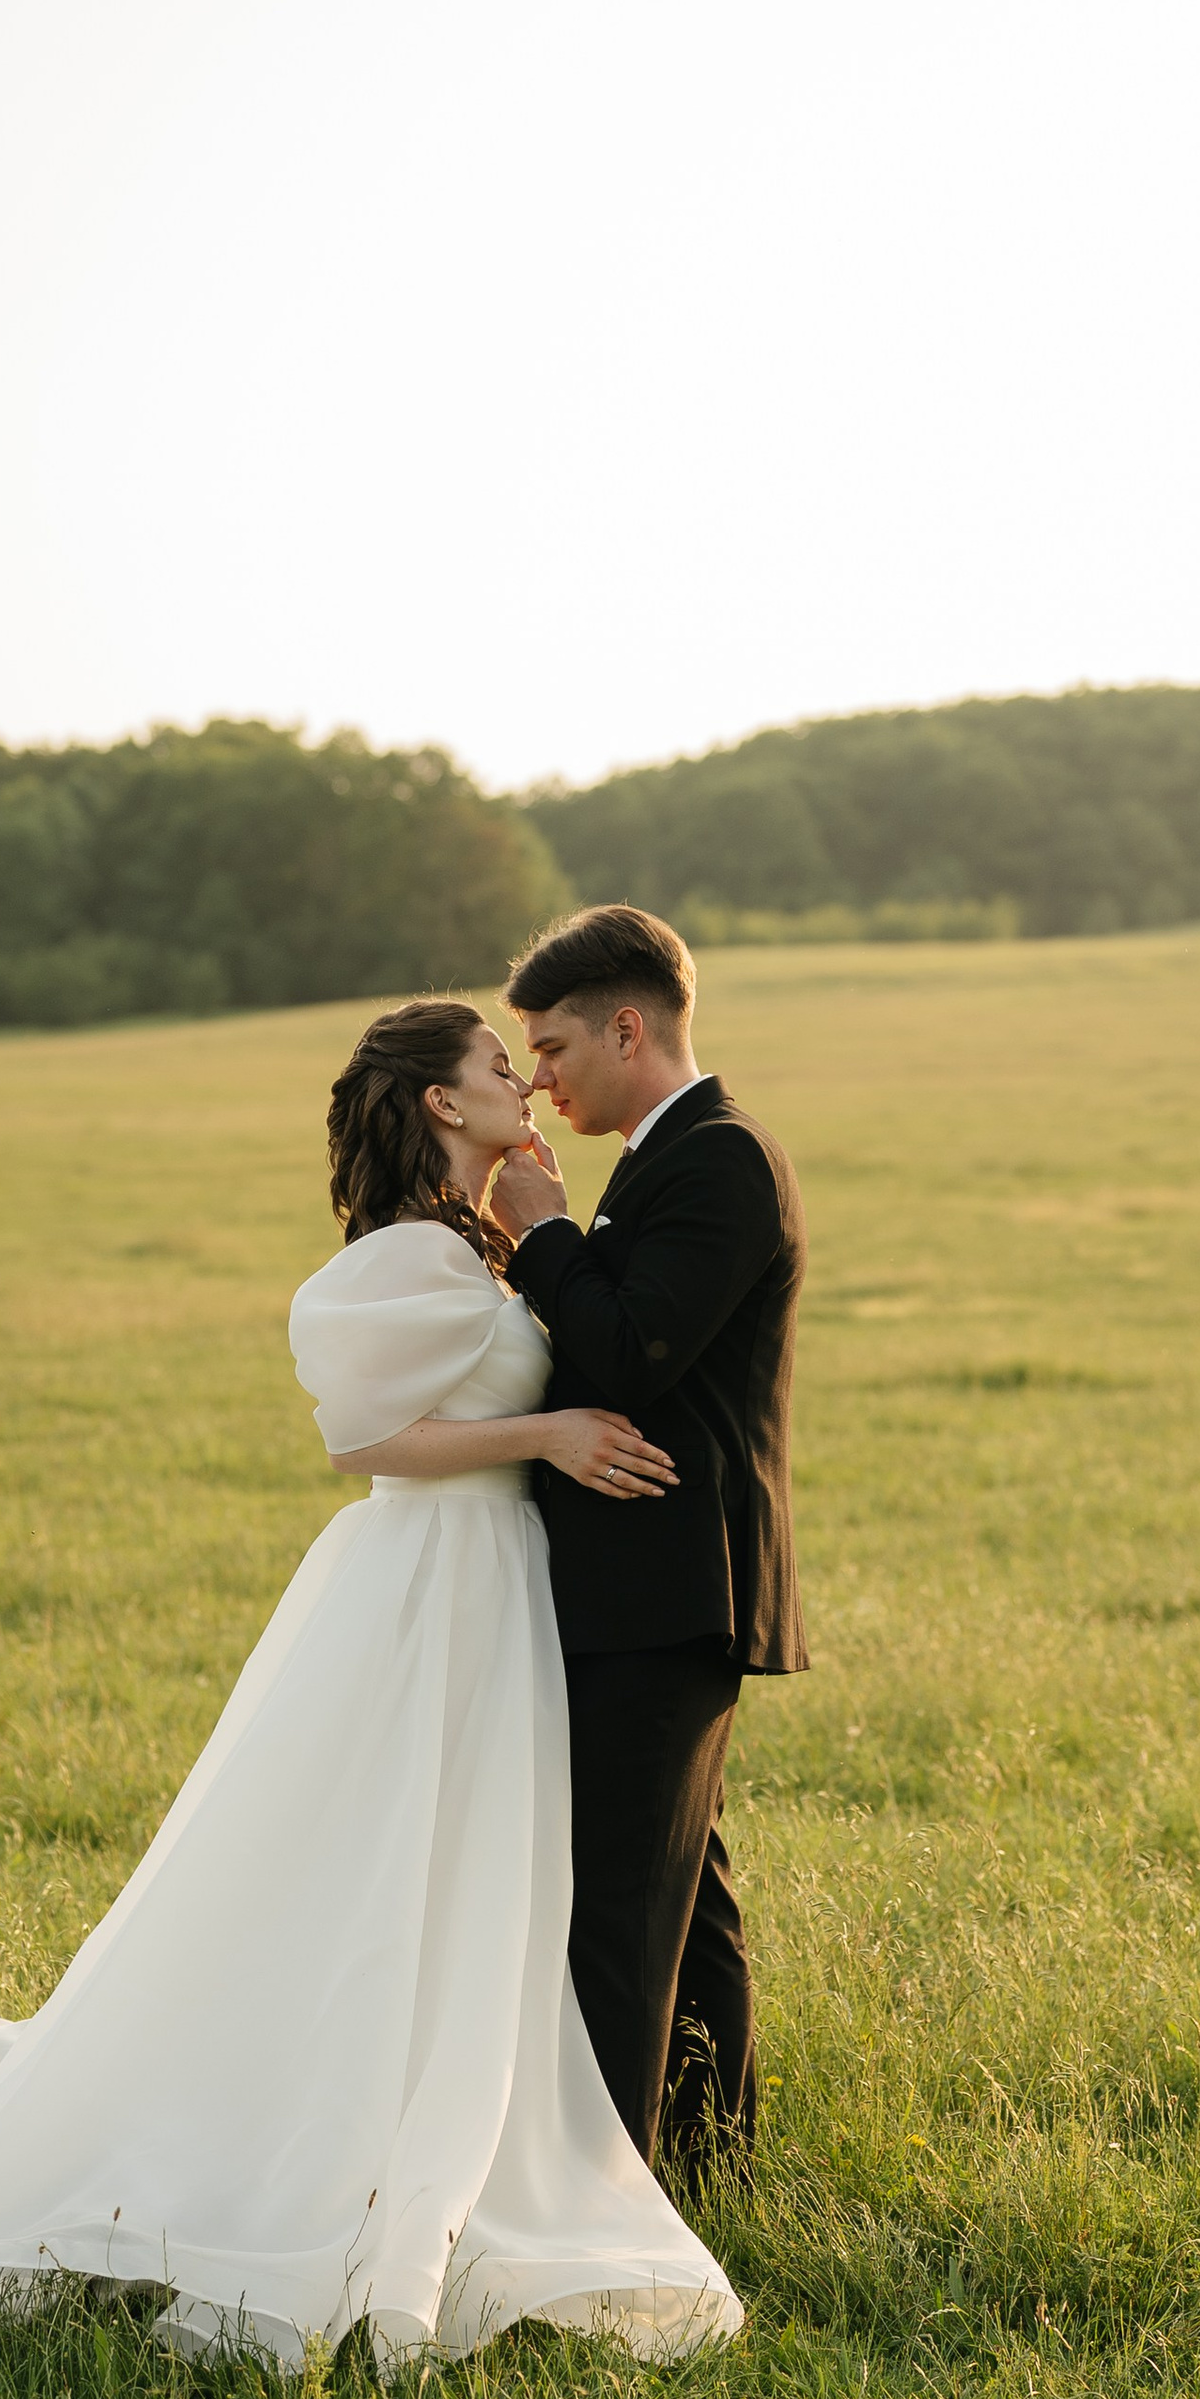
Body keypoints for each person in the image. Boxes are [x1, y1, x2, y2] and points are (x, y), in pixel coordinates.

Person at [0, 1001, 743, 2368]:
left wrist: (543, 1246)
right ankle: (335, 2145)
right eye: (491, 1069)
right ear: (435, 1106)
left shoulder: (482, 1239)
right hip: (425, 1594)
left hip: (497, 1589)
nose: (524, 1083)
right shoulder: (388, 1264)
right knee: (380, 1868)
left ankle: (457, 2114)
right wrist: (553, 1431)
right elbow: (368, 1441)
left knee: (472, 1875)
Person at [489, 905, 807, 2181]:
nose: (540, 1077)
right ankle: (707, 2162)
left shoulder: (720, 1158)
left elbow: (627, 1352)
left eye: (556, 1046)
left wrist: (541, 1232)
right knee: (687, 1893)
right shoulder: (664, 1157)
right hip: (646, 1588)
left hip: (668, 1588)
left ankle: (601, 2199)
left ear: (631, 1025)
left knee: (615, 1907)